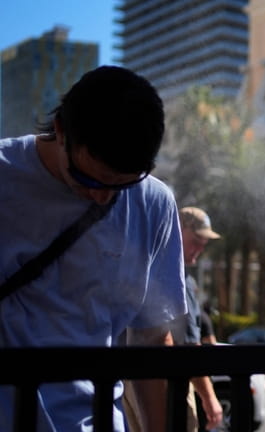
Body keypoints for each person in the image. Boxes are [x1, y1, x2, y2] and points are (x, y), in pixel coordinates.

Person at [0, 65, 186, 431]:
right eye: (88, 179)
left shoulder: (155, 203)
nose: (102, 197)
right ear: (60, 131)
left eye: (123, 184)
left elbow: (151, 342)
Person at [124, 207, 224, 431]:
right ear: (177, 229)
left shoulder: (146, 267)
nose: (200, 248)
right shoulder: (179, 279)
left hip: (131, 381)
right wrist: (210, 399)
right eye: (196, 239)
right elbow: (189, 348)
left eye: (204, 242)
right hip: (167, 384)